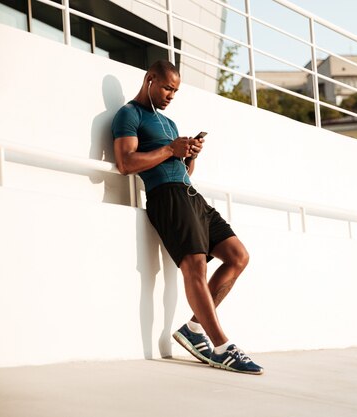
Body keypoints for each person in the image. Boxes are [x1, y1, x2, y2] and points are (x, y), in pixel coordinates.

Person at [111, 60, 263, 375]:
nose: (170, 95)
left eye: (175, 91)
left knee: (238, 256)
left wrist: (189, 155)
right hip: (166, 197)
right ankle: (222, 346)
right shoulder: (129, 114)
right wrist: (170, 149)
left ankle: (193, 330)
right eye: (167, 87)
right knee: (195, 265)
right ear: (150, 79)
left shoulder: (168, 122)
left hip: (191, 195)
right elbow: (125, 162)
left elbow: (183, 169)